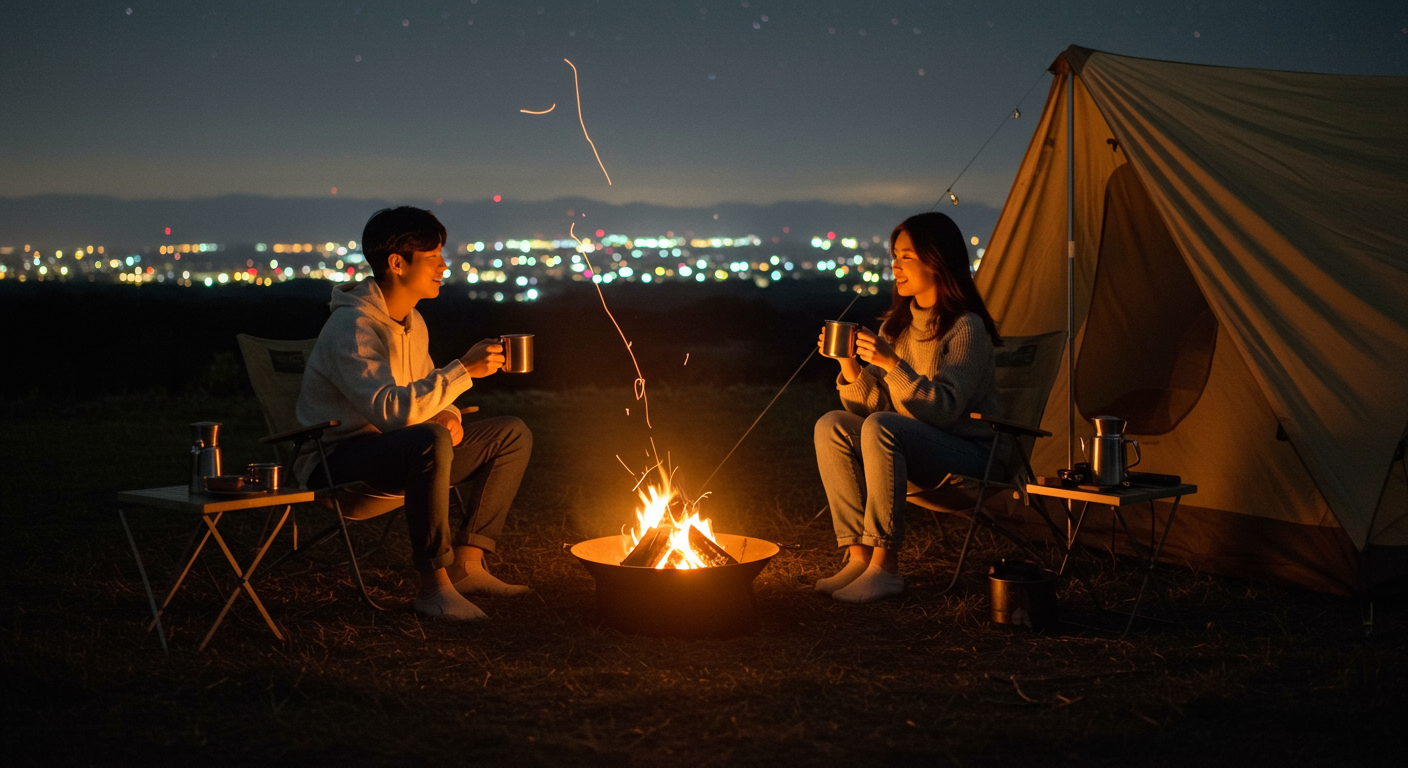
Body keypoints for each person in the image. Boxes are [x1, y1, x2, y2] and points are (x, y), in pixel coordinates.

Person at [295, 206, 532, 621]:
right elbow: (392, 412)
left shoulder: (411, 321)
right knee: (429, 438)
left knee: (511, 433)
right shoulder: (352, 327)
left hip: (400, 455)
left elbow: (424, 394)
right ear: (397, 263)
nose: (444, 266)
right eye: (433, 257)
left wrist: (451, 415)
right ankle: (432, 587)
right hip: (339, 466)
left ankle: (468, 566)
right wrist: (464, 370)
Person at [813, 212, 1004, 603]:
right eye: (894, 256)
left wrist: (891, 364)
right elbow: (873, 410)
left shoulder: (965, 327)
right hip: (916, 448)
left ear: (936, 261)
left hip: (973, 457)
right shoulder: (895, 328)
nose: (895, 266)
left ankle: (885, 567)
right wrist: (848, 364)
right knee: (832, 423)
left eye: (906, 256)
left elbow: (945, 409)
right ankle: (858, 556)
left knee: (884, 426)